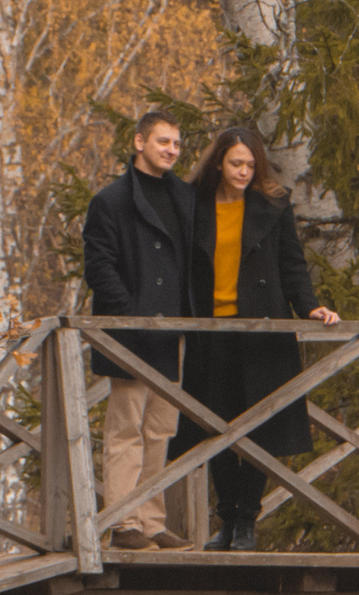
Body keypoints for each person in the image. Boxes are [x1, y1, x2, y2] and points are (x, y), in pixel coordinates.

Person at [174, 125, 340, 551]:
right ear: (218, 162)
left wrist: (309, 307)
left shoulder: (273, 204)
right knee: (216, 427)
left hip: (262, 330)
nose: (244, 172)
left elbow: (292, 263)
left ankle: (247, 520)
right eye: (236, 163)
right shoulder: (193, 204)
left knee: (260, 428)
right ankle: (227, 519)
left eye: (251, 164)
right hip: (210, 332)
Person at [79, 110, 201, 549]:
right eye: (163, 141)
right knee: (126, 429)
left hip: (173, 331)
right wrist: (130, 314)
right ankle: (123, 522)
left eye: (177, 144)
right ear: (139, 142)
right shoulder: (111, 200)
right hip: (130, 332)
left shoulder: (184, 197)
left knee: (160, 431)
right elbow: (99, 266)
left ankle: (151, 522)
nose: (171, 150)